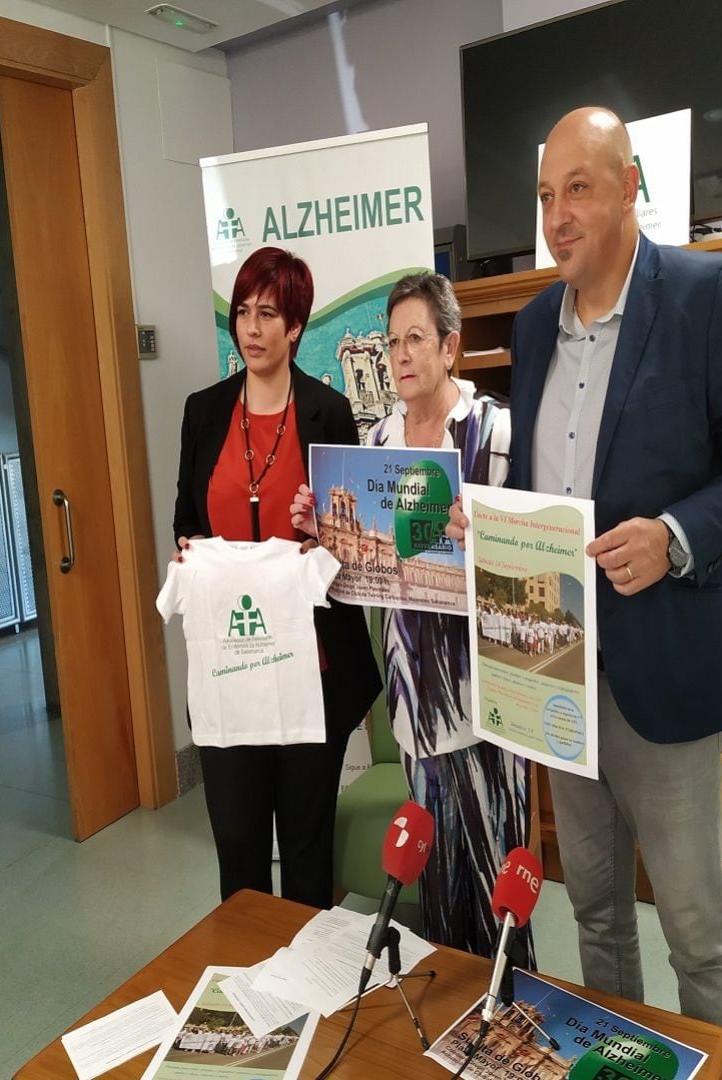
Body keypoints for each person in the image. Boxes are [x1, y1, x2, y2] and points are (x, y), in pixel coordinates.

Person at [449, 108, 722, 1079]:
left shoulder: (701, 293)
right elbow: (548, 488)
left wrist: (677, 537)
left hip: (666, 678)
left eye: (580, 188)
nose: (558, 215)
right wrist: (494, 517)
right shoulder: (530, 326)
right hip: (557, 668)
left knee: (694, 931)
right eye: (547, 195)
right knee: (594, 910)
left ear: (630, 185)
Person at [292, 272, 533, 960]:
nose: (401, 355)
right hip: (415, 697)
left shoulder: (498, 433)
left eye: (417, 339)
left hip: (489, 694)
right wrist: (322, 534)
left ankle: (503, 1010)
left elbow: (535, 558)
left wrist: (482, 536)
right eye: (393, 341)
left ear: (451, 347)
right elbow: (359, 571)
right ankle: (452, 1018)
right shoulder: (376, 444)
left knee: (495, 874)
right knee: (438, 876)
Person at [172, 245, 381, 910]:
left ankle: (310, 997)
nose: (252, 328)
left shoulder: (329, 412)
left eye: (268, 313)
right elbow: (186, 518)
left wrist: (324, 529)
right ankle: (252, 999)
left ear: (296, 326)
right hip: (232, 673)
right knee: (237, 847)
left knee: (307, 849)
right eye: (242, 312)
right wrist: (190, 552)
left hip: (311, 675)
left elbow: (356, 547)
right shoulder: (203, 412)